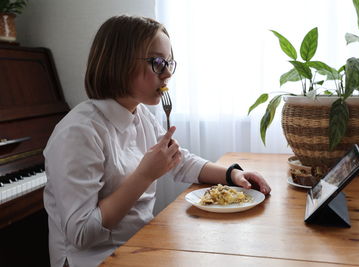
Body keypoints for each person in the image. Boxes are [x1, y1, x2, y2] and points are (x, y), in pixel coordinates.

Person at [43, 15, 271, 267]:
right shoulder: (79, 132)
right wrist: (144, 175)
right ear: (119, 62)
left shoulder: (140, 115)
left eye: (170, 62)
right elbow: (82, 235)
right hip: (93, 258)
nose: (168, 73)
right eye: (158, 62)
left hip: (140, 242)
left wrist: (232, 175)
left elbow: (179, 161)